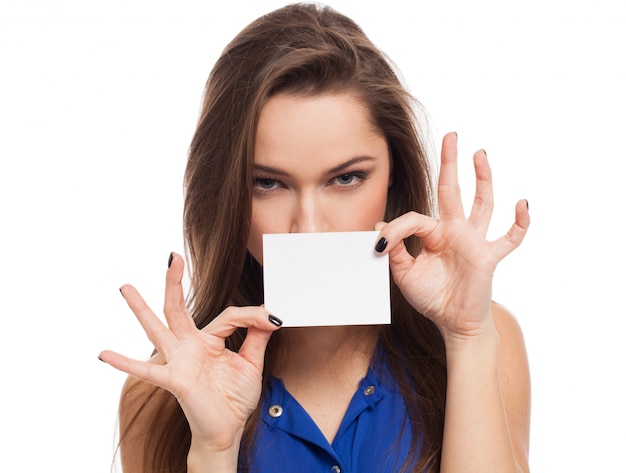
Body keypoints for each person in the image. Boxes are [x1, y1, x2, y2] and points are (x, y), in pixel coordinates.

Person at [99, 3, 531, 472]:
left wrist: (467, 339)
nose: (308, 226)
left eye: (345, 179)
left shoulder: (483, 339)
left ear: (393, 177)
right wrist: (213, 451)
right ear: (225, 195)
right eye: (267, 183)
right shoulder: (163, 391)